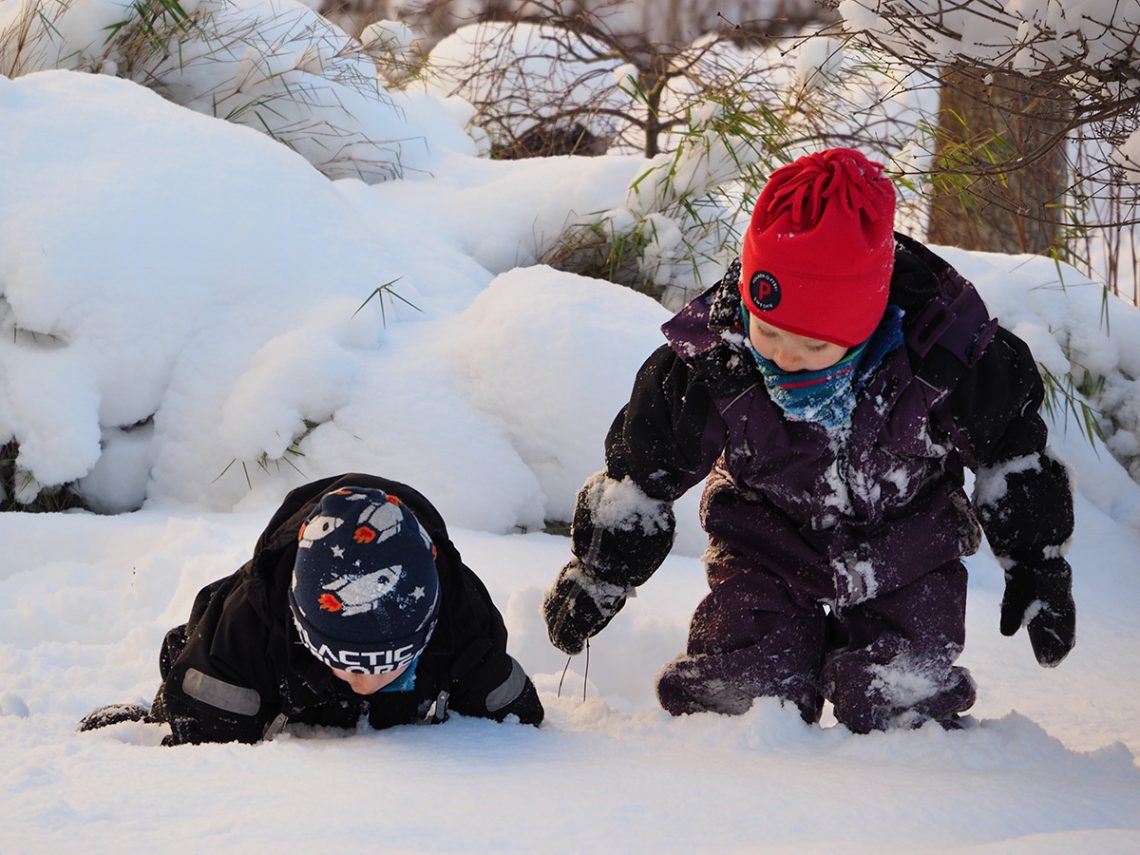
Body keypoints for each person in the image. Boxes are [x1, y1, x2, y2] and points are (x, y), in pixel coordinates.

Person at [542, 148, 1076, 733]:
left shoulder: (946, 359)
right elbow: (641, 474)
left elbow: (1014, 456)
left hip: (908, 549)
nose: (783, 357)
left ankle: (905, 781)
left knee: (902, 705)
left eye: (814, 346)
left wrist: (1037, 561)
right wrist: (599, 571)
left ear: (868, 320)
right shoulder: (718, 364)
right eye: (767, 329)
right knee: (744, 692)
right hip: (766, 542)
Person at [80, 473, 543, 744]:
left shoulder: (460, 618)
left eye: (388, 665)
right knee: (197, 670)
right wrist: (168, 722)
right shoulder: (249, 624)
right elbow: (201, 709)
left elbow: (512, 706)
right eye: (343, 664)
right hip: (258, 646)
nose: (364, 684)